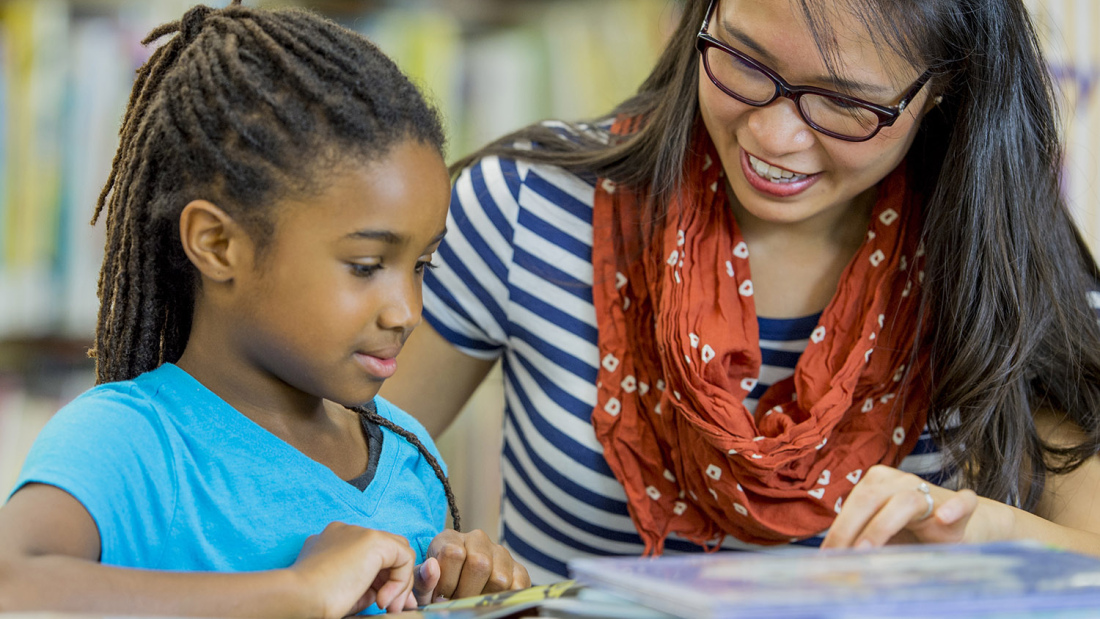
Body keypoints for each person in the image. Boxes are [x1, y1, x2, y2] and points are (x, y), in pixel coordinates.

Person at [380, 0, 1100, 584]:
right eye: (746, 62)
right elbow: (325, 487)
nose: (773, 135)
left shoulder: (998, 258)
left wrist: (987, 531)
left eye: (844, 103)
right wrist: (431, 564)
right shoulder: (524, 207)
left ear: (942, 88)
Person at [0, 2, 530, 616]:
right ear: (218, 245)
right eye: (364, 267)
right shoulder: (131, 441)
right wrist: (296, 593)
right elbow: (13, 587)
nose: (407, 310)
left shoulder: (411, 457)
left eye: (421, 267)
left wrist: (471, 601)